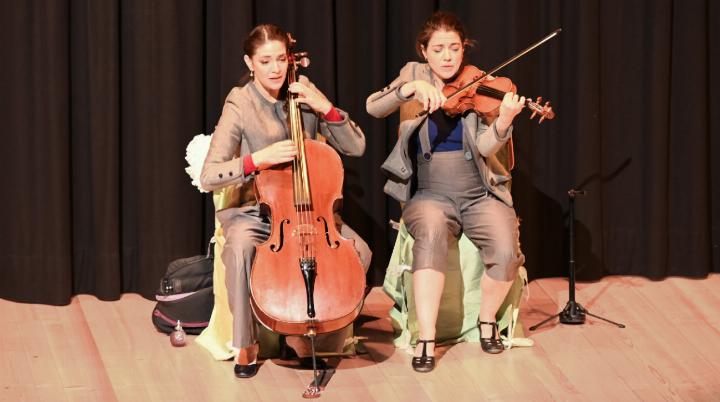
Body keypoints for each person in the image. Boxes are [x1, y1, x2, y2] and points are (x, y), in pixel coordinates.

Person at [200, 24, 371, 379]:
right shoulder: (241, 102)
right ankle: (246, 342)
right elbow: (209, 174)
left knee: (361, 253)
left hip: (309, 210)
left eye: (281, 59)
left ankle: (298, 331)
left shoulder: (303, 91)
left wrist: (326, 109)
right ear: (250, 62)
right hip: (254, 209)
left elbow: (357, 147)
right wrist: (257, 160)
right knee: (241, 249)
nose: (276, 69)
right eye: (265, 61)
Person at [366, 11, 526, 372]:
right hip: (430, 191)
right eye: (438, 49)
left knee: (505, 248)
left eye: (454, 48)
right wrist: (408, 90)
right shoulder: (412, 74)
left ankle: (487, 321)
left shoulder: (479, 83)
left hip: (478, 189)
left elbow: (486, 149)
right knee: (432, 235)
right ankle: (426, 337)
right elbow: (373, 106)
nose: (448, 56)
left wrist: (502, 121)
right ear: (424, 51)